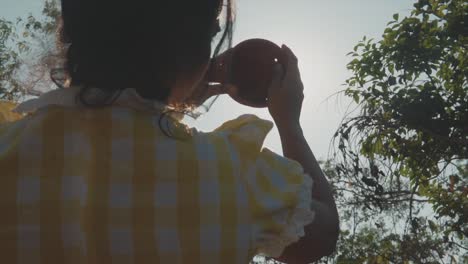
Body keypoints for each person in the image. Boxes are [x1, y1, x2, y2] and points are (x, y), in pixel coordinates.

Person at [0, 0, 339, 263]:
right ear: (190, 49)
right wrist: (288, 122)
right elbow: (321, 233)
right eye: (210, 32)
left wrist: (172, 86)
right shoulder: (236, 176)